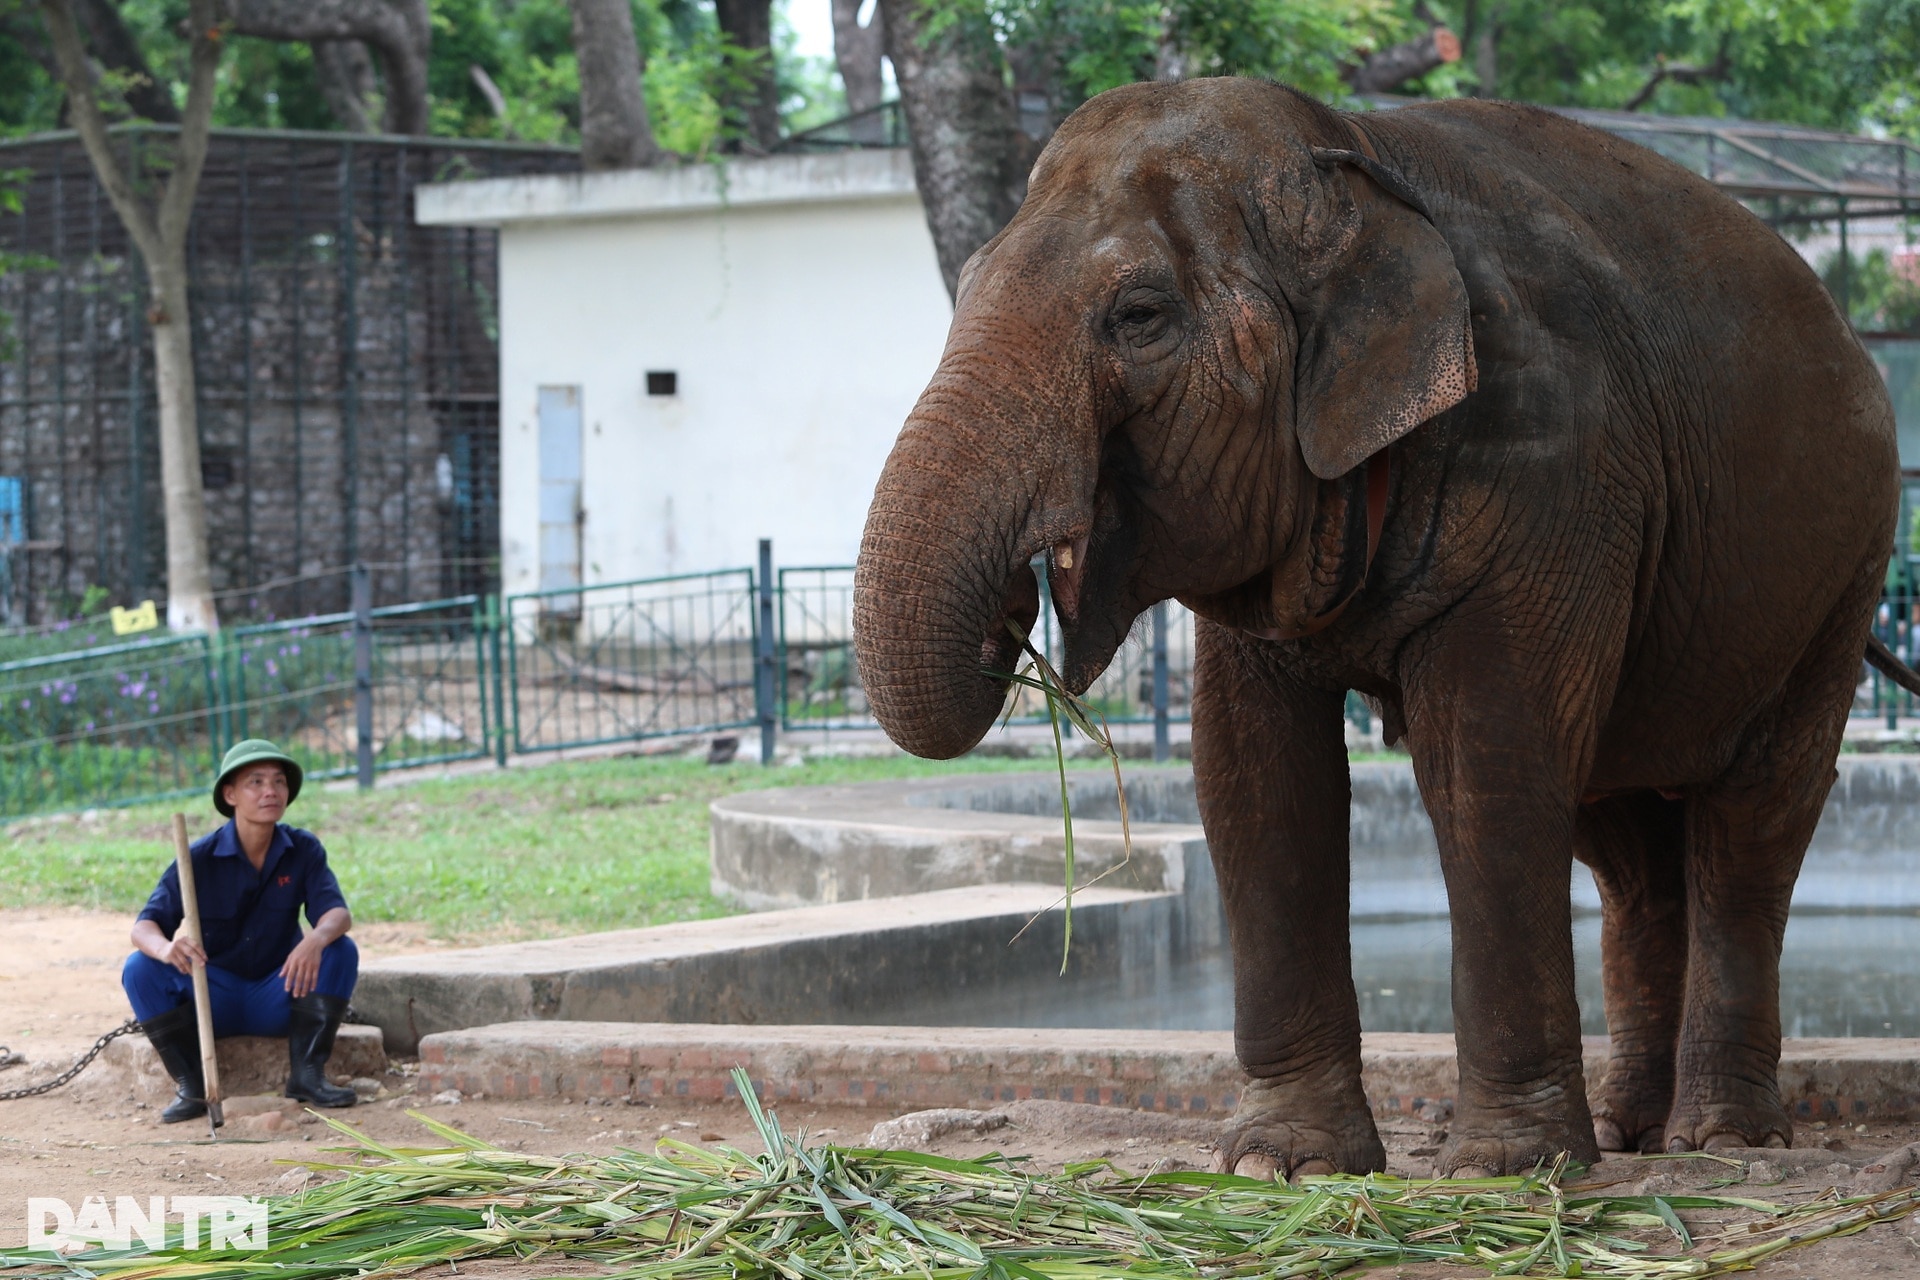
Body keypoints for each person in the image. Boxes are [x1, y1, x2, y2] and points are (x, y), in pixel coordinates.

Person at [121, 739, 359, 1123]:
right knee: (139, 968)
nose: (271, 791)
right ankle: (193, 1087)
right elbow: (144, 927)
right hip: (212, 1000)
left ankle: (307, 1077)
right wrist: (167, 949)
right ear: (230, 794)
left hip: (281, 992)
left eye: (279, 781)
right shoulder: (197, 858)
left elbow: (337, 914)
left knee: (339, 949)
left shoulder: (303, 849)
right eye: (256, 781)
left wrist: (314, 939)